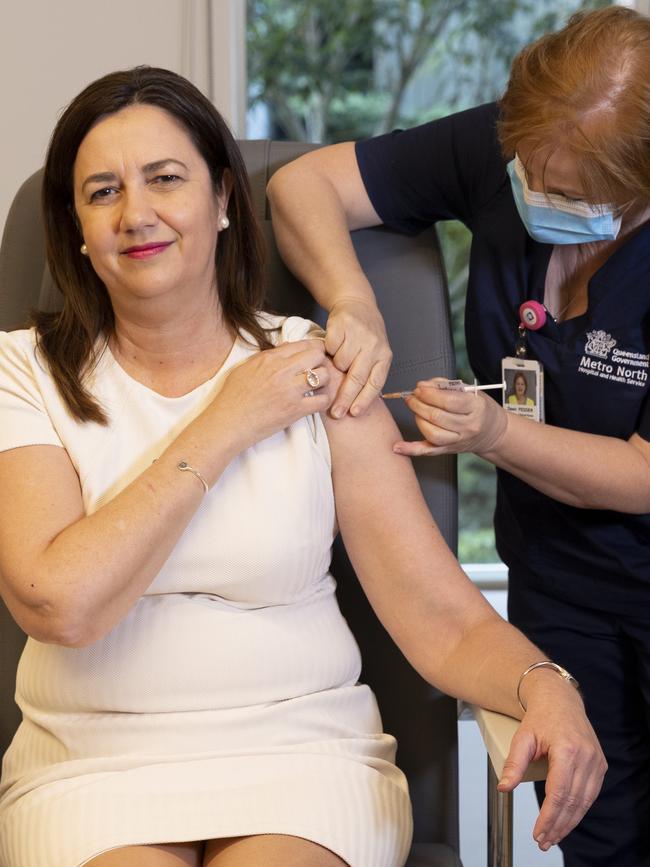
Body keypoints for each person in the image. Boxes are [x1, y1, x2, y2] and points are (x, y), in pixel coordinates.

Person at [0, 66, 604, 867]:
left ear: (222, 201)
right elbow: (60, 604)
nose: (135, 213)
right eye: (102, 191)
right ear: (74, 226)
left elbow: (440, 616)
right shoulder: (25, 373)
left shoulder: (319, 369)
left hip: (301, 759)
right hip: (89, 765)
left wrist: (543, 682)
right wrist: (230, 416)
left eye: (165, 179)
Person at [266, 6, 650, 866]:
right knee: (600, 835)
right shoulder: (505, 147)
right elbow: (301, 186)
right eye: (527, 172)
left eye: (575, 192)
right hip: (559, 576)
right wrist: (350, 297)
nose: (537, 195)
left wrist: (494, 434)